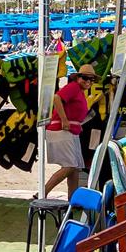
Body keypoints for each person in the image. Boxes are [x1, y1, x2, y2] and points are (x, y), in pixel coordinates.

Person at [41, 64, 91, 199]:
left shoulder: (79, 92)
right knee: (70, 165)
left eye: (91, 79)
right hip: (62, 130)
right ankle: (43, 192)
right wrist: (64, 120)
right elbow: (57, 98)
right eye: (85, 78)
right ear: (78, 78)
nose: (88, 81)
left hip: (71, 131)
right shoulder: (73, 87)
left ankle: (72, 199)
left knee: (73, 168)